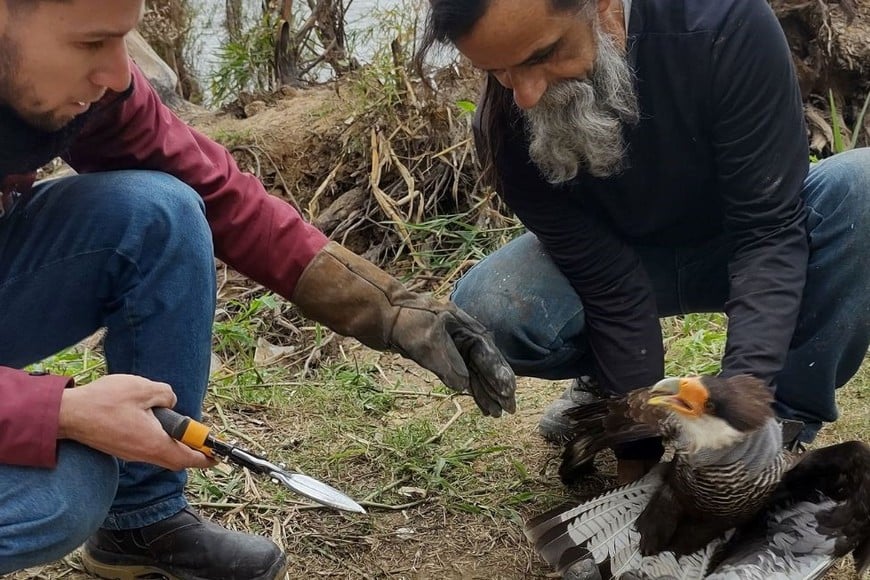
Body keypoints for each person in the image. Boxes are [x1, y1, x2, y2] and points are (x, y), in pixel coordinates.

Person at [0, 0, 517, 578]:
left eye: (126, 41)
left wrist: (393, 311)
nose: (120, 73)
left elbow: (217, 194)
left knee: (160, 211)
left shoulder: (82, 79)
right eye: (91, 43)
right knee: (56, 495)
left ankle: (140, 523)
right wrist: (58, 411)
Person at [415, 0, 870, 483]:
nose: (524, 94)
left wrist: (739, 417)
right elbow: (605, 279)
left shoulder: (724, 23)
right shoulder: (506, 120)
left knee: (863, 187)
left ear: (604, 7)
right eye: (498, 71)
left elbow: (767, 234)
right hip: (626, 256)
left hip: (747, 236)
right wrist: (636, 452)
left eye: (542, 54)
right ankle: (606, 389)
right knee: (488, 309)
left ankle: (782, 426)